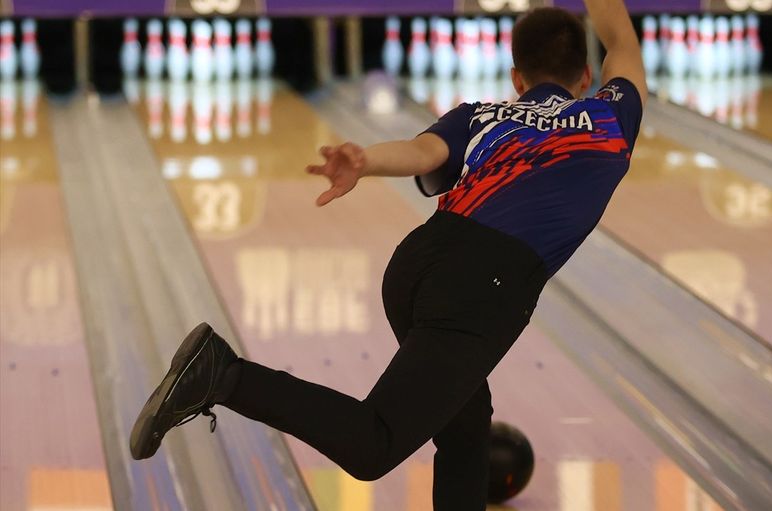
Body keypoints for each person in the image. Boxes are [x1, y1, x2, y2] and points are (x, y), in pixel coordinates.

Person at [130, 1, 647, 508]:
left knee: (465, 425)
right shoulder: (611, 117)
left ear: (516, 78)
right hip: (484, 286)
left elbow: (422, 153)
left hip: (416, 263)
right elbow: (621, 39)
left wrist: (366, 161)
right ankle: (224, 374)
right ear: (587, 75)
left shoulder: (484, 116)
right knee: (373, 443)